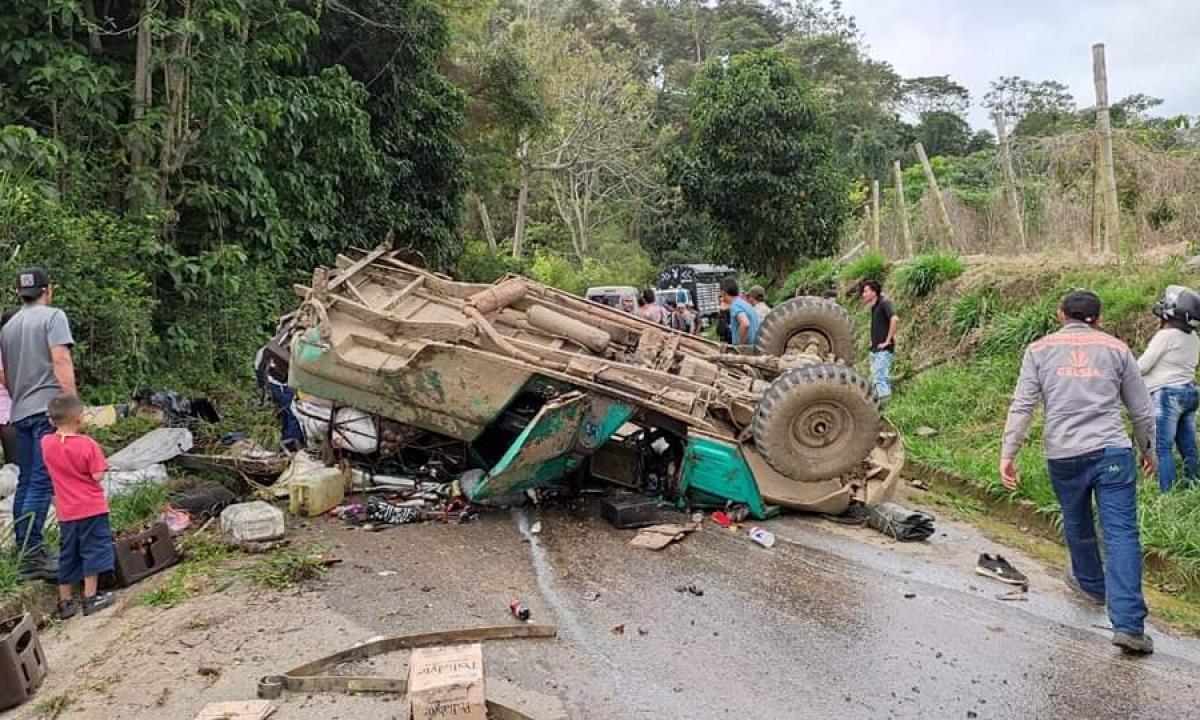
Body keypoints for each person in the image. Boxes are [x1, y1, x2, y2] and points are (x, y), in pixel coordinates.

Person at [1001, 290, 1156, 655]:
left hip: (1064, 453)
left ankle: (1091, 584)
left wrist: (1008, 452)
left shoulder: (1038, 350)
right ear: (1098, 319)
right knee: (1121, 534)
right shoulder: (1118, 349)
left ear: (1060, 314)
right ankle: (1130, 625)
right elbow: (1142, 410)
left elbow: (1023, 405)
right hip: (1113, 452)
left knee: (1076, 521)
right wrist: (1149, 450)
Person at [0, 267, 76, 581]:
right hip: (49, 411)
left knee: (28, 481)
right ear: (49, 289)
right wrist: (70, 404)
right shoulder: (52, 316)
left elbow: (4, 376)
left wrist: (21, 398)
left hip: (21, 413)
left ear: (19, 293)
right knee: (42, 482)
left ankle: (25, 549)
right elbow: (60, 359)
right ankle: (33, 554)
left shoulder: (8, 328)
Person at [42, 394, 115, 619]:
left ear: (51, 421)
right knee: (92, 549)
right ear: (80, 419)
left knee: (69, 553)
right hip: (91, 508)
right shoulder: (88, 445)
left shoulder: (46, 443)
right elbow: (97, 475)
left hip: (66, 511)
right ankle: (90, 597)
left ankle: (65, 602)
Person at [1137, 285, 1200, 492]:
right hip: (1190, 392)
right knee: (1188, 448)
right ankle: (1193, 486)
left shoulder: (1166, 336)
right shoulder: (1194, 338)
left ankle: (1167, 494)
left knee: (1162, 448)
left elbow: (1143, 366)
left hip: (1167, 394)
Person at [861, 280, 898, 402]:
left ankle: (886, 406)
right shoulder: (874, 307)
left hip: (883, 349)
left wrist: (887, 341)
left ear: (874, 292)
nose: (863, 294)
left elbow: (895, 319)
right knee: (875, 379)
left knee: (880, 378)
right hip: (876, 349)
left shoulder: (884, 303)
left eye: (866, 291)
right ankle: (879, 404)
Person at [721, 277, 759, 346]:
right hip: (755, 346)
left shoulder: (735, 305)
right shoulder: (745, 304)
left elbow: (745, 323)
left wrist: (740, 345)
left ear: (724, 292)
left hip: (747, 350)